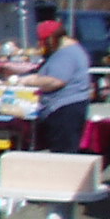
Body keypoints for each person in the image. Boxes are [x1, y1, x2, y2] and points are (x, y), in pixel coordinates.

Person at [18, 19, 93, 153]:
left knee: (63, 152)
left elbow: (55, 81)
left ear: (52, 39)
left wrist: (28, 81)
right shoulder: (69, 51)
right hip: (66, 107)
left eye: (44, 41)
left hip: (65, 109)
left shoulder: (66, 54)